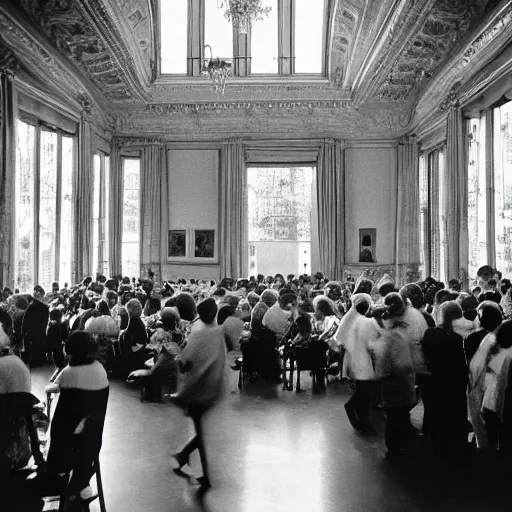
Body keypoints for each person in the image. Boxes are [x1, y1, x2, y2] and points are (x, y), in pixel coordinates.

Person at [44, 331, 109, 504]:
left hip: (71, 445)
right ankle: (82, 485)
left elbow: (61, 422)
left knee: (56, 427)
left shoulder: (69, 373)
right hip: (93, 440)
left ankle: (59, 478)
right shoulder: (100, 369)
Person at [171, 298, 228, 491]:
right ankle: (186, 458)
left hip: (197, 388)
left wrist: (177, 358)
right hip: (214, 386)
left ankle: (199, 470)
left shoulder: (197, 335)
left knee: (201, 432)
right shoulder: (219, 332)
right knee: (202, 431)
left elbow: (185, 364)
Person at [369, 294, 417, 456]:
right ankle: (399, 445)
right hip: (399, 381)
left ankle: (396, 445)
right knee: (398, 415)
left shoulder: (392, 334)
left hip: (394, 381)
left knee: (396, 415)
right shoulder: (399, 332)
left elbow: (393, 360)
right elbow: (401, 362)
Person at [422, 301, 469, 454]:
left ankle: (434, 438)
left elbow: (426, 355)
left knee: (434, 411)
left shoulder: (430, 334)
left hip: (434, 379)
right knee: (454, 411)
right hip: (455, 380)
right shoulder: (460, 337)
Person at [334, 293, 377, 433]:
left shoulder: (356, 319)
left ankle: (363, 420)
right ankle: (359, 417)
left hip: (356, 358)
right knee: (365, 392)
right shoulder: (361, 321)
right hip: (360, 359)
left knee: (365, 391)